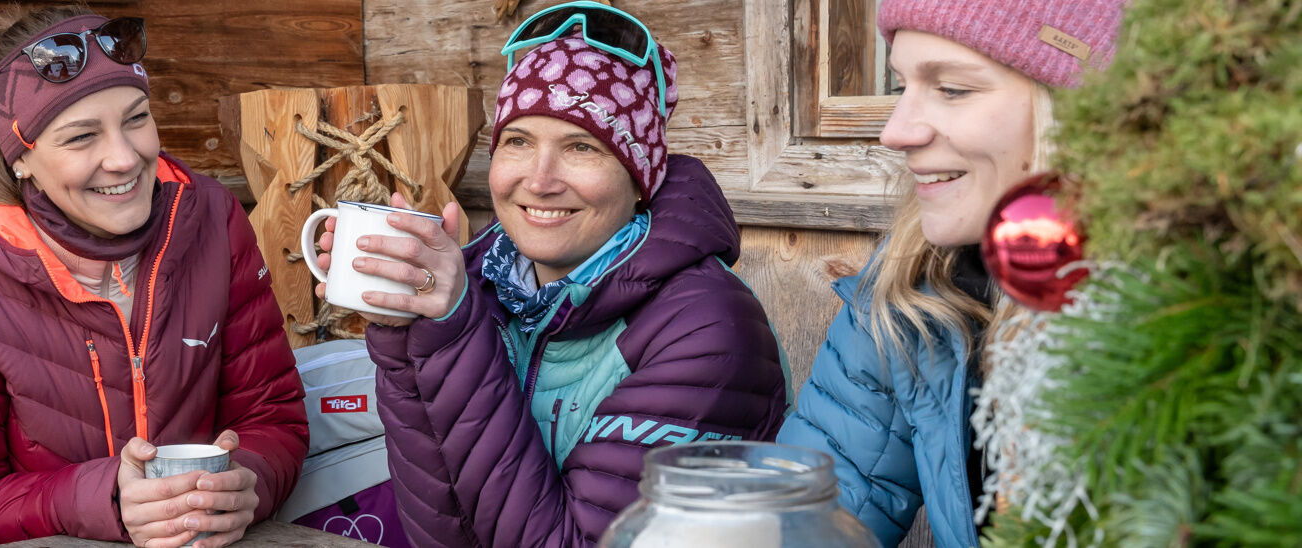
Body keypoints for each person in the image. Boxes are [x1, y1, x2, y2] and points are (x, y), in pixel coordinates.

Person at [313, 2, 788, 546]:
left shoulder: (708, 333)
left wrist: (453, 329)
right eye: (518, 141)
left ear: (640, 180)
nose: (538, 181)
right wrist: (405, 332)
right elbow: (440, 525)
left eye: (581, 147)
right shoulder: (485, 282)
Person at [0, 5, 308, 548]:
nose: (124, 158)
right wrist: (106, 498)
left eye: (136, 119)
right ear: (20, 158)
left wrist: (250, 483)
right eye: (81, 137)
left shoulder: (213, 220)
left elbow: (272, 420)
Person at [775, 1, 1129, 546]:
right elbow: (814, 505)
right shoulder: (909, 284)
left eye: (953, 89)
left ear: (1075, 112)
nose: (895, 132)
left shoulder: (1199, 311)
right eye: (900, 88)